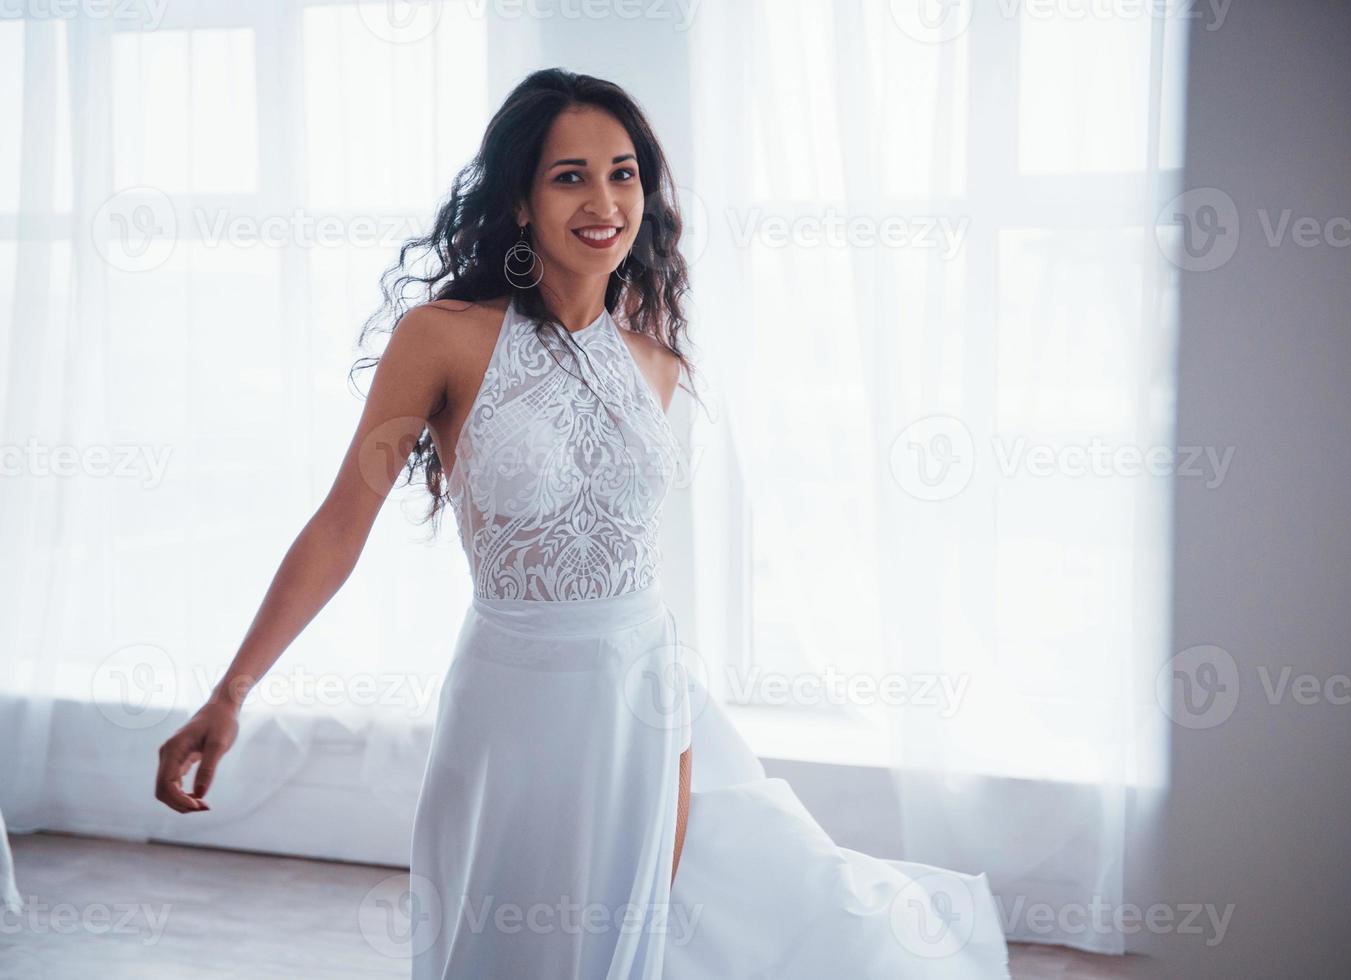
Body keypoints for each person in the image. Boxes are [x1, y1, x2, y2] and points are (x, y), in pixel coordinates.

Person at [154, 67, 1010, 979]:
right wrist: (231, 693)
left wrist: (673, 740)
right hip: (511, 712)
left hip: (647, 709)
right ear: (519, 201)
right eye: (569, 176)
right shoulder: (441, 338)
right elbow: (339, 526)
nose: (603, 201)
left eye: (623, 172)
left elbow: (641, 578)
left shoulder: (656, 364)